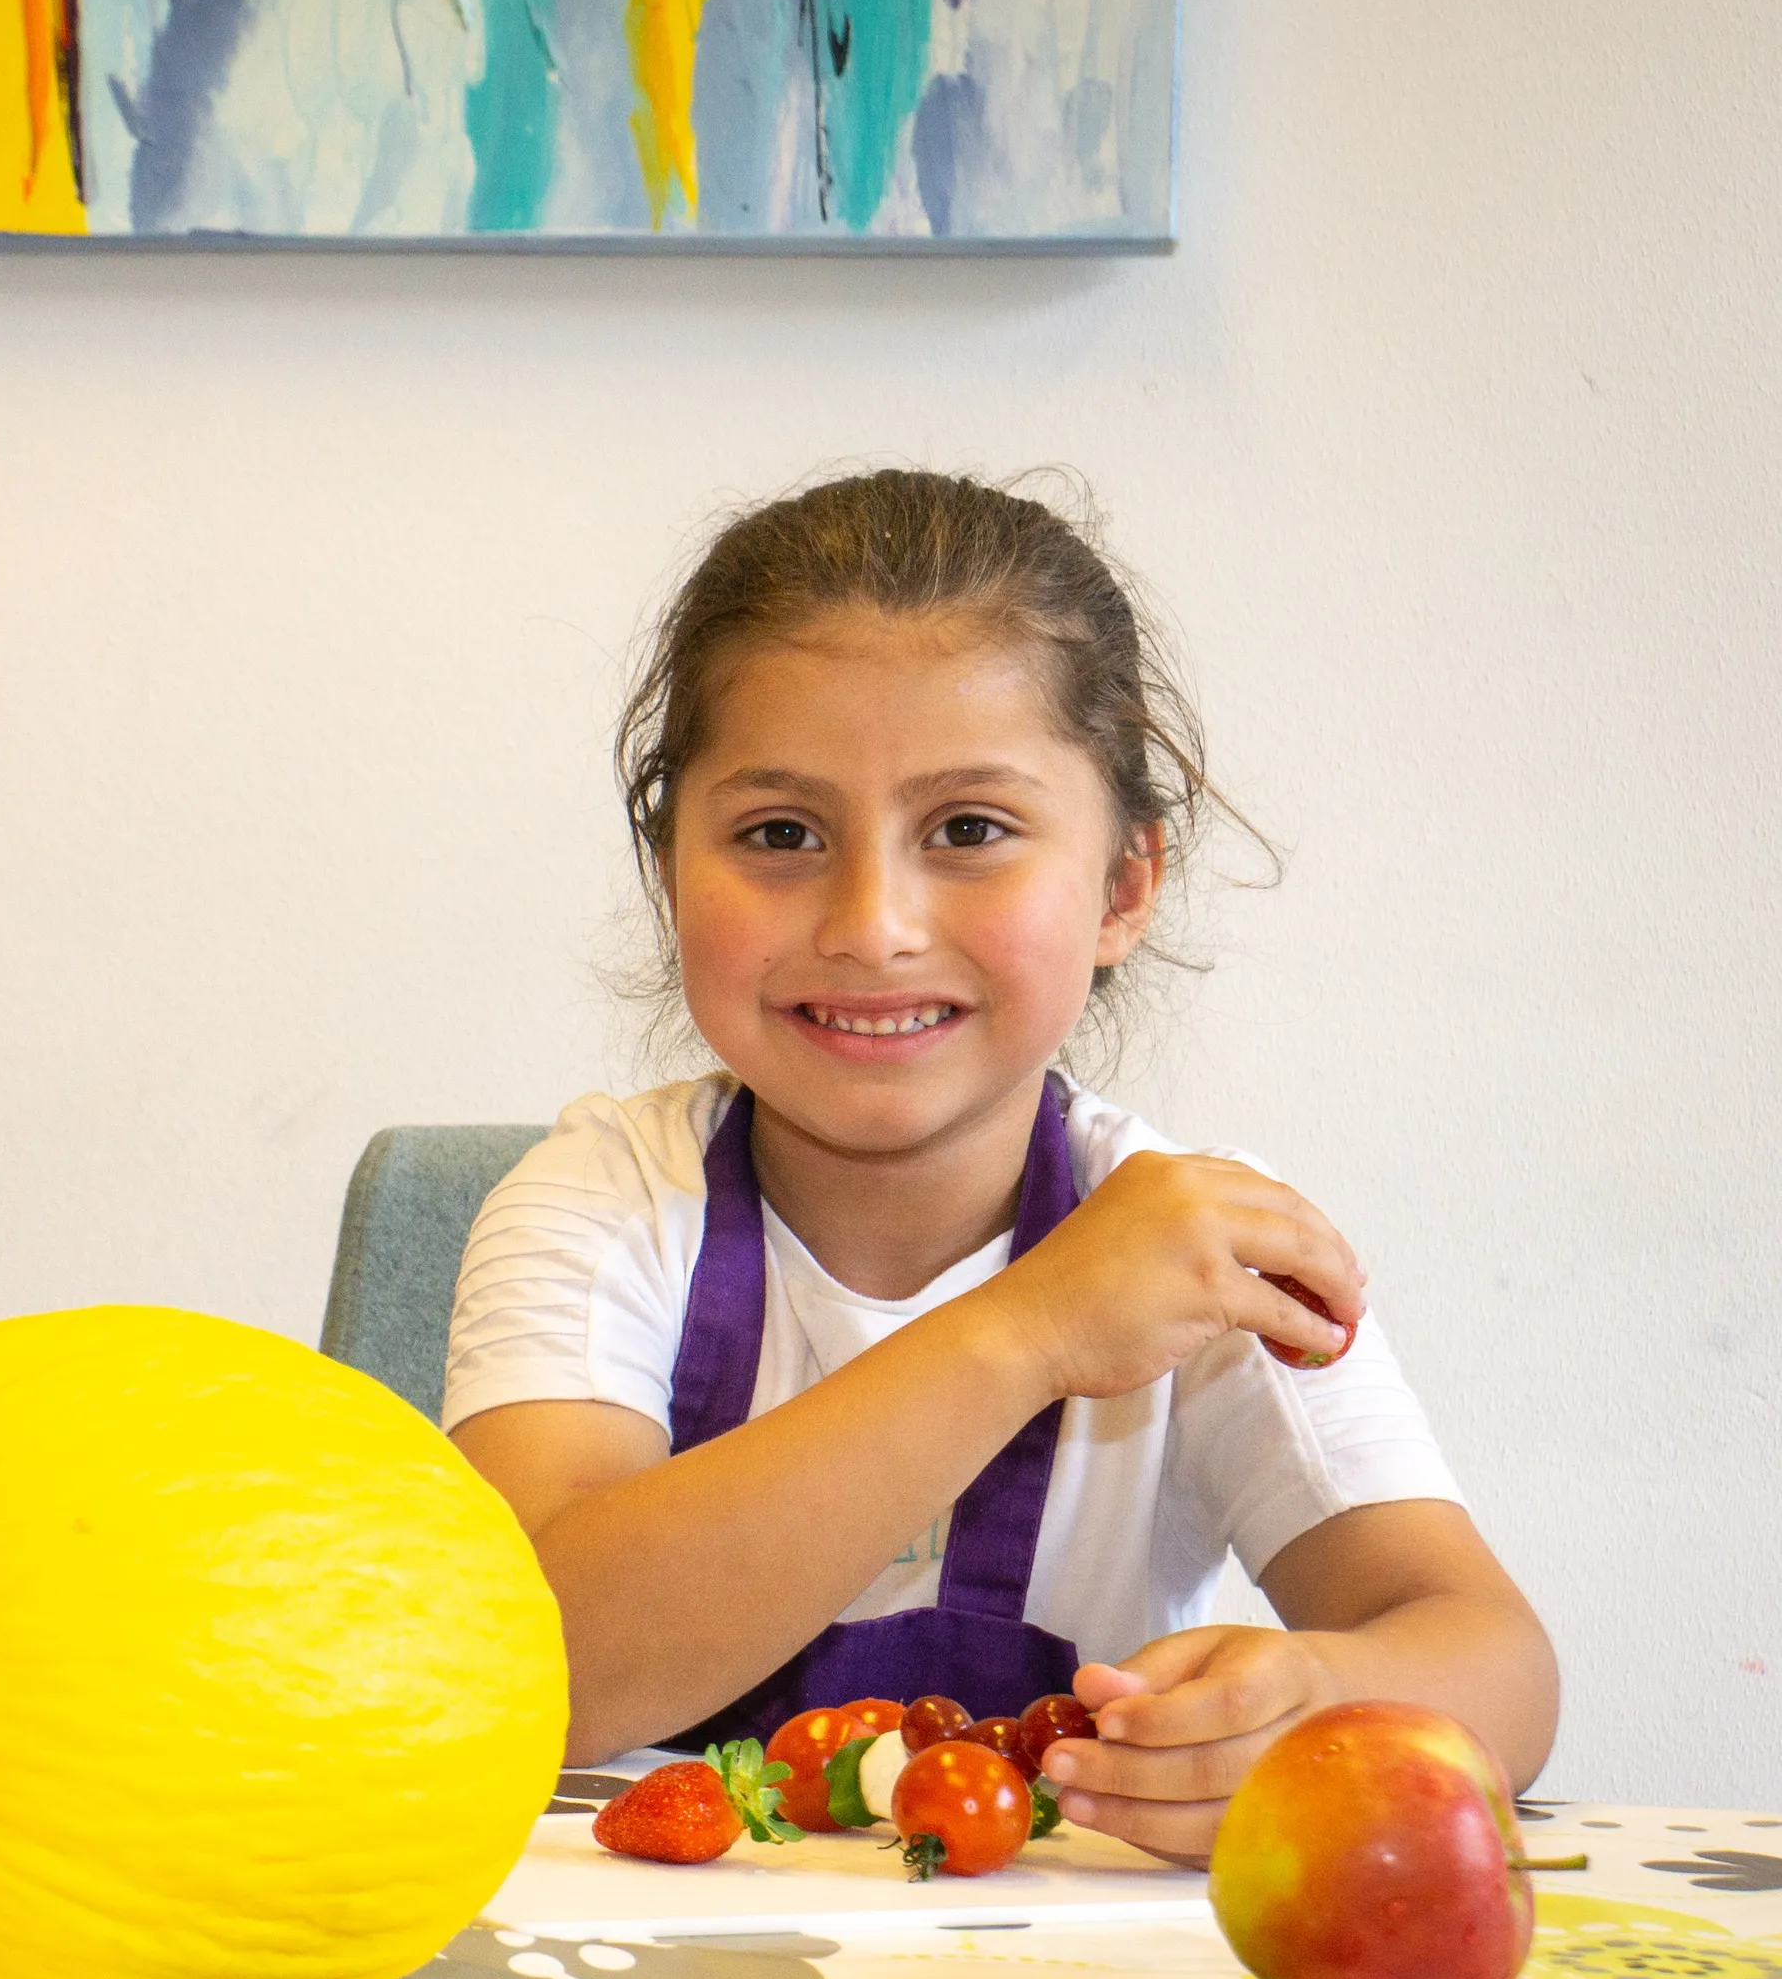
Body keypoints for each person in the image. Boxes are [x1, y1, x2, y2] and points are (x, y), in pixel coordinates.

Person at [442, 471, 1556, 1858]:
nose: (872, 925)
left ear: (1124, 886)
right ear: (671, 872)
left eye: (968, 830)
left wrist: (1319, 1695)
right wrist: (1027, 1331)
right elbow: (538, 1669)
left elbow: (1497, 1667)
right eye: (778, 834)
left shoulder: (1195, 1245)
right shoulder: (597, 1200)